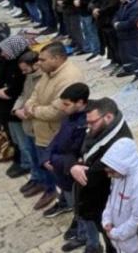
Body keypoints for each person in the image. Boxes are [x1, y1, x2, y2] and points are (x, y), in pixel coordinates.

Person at [21, 41, 84, 211]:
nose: (39, 63)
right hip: (42, 130)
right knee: (50, 170)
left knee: (62, 175)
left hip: (56, 135)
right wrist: (30, 105)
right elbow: (34, 94)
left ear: (56, 58)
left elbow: (57, 111)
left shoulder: (69, 78)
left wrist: (32, 110)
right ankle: (60, 197)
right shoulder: (48, 72)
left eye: (43, 59)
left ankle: (70, 205)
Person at [71, 98, 134, 253]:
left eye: (92, 122)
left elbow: (92, 175)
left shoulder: (119, 142)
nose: (89, 126)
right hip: (99, 205)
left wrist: (75, 168)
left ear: (108, 117)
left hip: (108, 206)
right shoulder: (100, 130)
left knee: (113, 245)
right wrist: (75, 164)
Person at [43, 82, 90, 222]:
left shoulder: (85, 123)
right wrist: (46, 156)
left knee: (78, 207)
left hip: (70, 171)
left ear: (80, 102)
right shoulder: (70, 116)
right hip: (60, 167)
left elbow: (75, 153)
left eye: (66, 104)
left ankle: (80, 226)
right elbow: (58, 137)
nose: (62, 108)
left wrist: (52, 160)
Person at [101, 137, 138, 253]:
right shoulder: (118, 174)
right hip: (120, 244)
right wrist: (107, 219)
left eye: (111, 172)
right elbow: (111, 199)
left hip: (135, 246)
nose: (109, 175)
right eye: (107, 172)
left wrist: (115, 233)